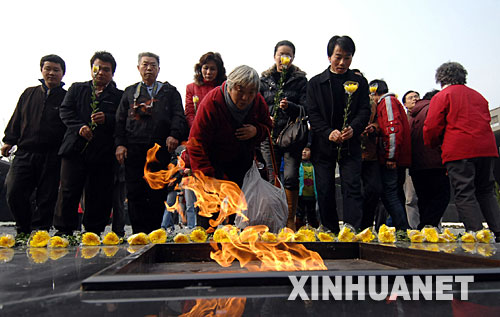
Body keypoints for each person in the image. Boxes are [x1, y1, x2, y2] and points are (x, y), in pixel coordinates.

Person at [424, 62, 500, 241]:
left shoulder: (443, 96)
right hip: (487, 149)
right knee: (486, 190)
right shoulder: (478, 96)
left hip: (460, 151)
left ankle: (476, 233)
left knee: (464, 192)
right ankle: (498, 229)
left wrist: (433, 145)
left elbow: (431, 127)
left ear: (441, 79)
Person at [115, 52, 187, 234]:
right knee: (135, 192)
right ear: (138, 68)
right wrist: (120, 144)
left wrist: (174, 135)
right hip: (134, 150)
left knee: (157, 192)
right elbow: (120, 120)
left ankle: (155, 232)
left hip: (160, 150)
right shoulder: (130, 92)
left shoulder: (169, 92)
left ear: (159, 69)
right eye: (145, 65)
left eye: (153, 65)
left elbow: (179, 116)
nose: (149, 68)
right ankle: (139, 233)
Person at [54, 51, 123, 235]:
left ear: (112, 73)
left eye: (106, 70)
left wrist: (107, 119)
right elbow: (65, 110)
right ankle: (64, 230)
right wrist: (79, 127)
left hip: (102, 152)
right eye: (97, 68)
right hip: (74, 149)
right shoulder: (77, 89)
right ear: (91, 69)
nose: (101, 72)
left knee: (98, 193)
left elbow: (122, 120)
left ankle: (93, 231)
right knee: (68, 190)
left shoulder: (118, 96)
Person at [306, 35, 370, 233]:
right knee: (325, 189)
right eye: (338, 57)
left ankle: (351, 230)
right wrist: (328, 132)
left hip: (350, 145)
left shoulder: (359, 82)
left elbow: (364, 110)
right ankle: (330, 229)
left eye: (347, 57)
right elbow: (312, 113)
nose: (342, 62)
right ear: (329, 57)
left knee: (352, 187)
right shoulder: (315, 83)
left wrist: (354, 128)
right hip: (323, 145)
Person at [1, 55, 67, 235]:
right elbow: (17, 118)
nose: (51, 73)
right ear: (42, 70)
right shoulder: (29, 93)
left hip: (52, 154)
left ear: (62, 74)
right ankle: (23, 228)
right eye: (48, 69)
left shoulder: (66, 98)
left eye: (56, 70)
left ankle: (40, 232)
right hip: (25, 151)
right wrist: (9, 140)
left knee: (47, 196)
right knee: (13, 190)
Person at [187, 64, 272, 196]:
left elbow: (267, 126)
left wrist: (256, 131)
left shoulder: (258, 102)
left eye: (251, 93)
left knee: (241, 211)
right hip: (213, 164)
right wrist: (208, 177)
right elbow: (195, 143)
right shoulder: (212, 102)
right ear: (229, 87)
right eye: (240, 91)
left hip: (243, 165)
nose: (245, 98)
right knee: (212, 212)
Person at [260, 40, 308, 230]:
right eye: (281, 54)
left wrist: (291, 107)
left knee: (290, 177)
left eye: (288, 55)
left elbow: (306, 109)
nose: (284, 58)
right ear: (274, 56)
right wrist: (267, 116)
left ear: (293, 58)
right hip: (268, 135)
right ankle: (271, 219)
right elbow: (257, 104)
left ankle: (289, 220)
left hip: (291, 137)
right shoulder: (264, 80)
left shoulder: (301, 80)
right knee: (270, 177)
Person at [184, 52, 227, 228]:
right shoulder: (191, 88)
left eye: (213, 69)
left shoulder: (224, 87)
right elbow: (189, 113)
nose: (208, 72)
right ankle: (202, 229)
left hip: (218, 145)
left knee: (218, 188)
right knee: (201, 189)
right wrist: (200, 130)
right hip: (198, 143)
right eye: (205, 68)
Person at [369, 79, 411, 230]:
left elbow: (392, 130)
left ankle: (403, 229)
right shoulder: (391, 102)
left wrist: (390, 156)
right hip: (396, 157)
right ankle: (402, 228)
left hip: (392, 158)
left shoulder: (387, 102)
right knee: (396, 194)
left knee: (390, 195)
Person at [409, 89, 450, 229]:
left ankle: (425, 229)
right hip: (435, 162)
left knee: (424, 199)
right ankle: (427, 226)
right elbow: (435, 132)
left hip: (416, 165)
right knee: (442, 196)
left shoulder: (412, 115)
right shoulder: (433, 109)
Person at [401, 90, 420, 228]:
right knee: (410, 198)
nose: (415, 99)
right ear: (405, 104)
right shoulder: (403, 119)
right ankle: (413, 228)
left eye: (416, 96)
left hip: (426, 162)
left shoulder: (427, 113)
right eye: (411, 98)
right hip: (409, 162)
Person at [296, 147, 319, 229]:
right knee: (299, 213)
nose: (304, 152)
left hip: (311, 195)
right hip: (301, 195)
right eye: (302, 150)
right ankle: (299, 229)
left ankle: (314, 229)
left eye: (307, 150)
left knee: (312, 214)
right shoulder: (297, 165)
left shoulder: (314, 165)